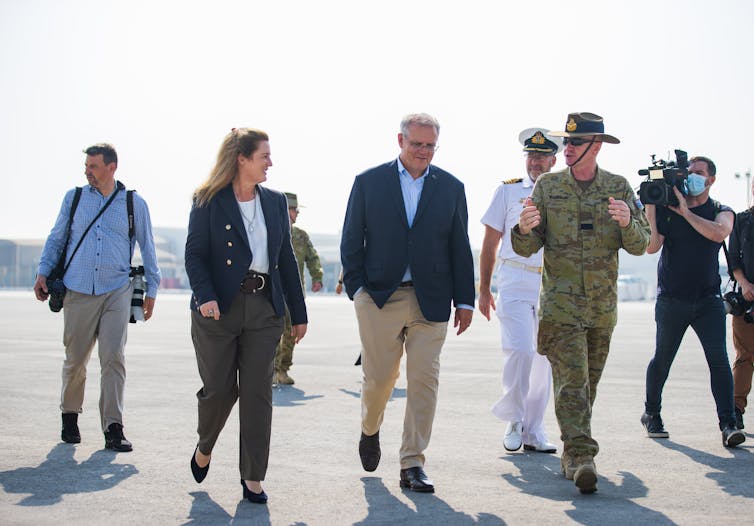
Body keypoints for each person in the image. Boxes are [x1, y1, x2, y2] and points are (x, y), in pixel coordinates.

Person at [512, 112, 650, 494]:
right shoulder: (548, 186)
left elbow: (641, 244)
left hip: (602, 309)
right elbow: (526, 245)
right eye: (566, 142)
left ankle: (571, 453)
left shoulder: (618, 187)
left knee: (586, 387)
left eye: (574, 143)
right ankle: (582, 455)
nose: (566, 149)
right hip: (560, 308)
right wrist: (523, 228)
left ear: (597, 145)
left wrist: (626, 222)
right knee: (573, 383)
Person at [341, 113, 475, 493]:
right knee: (380, 379)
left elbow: (459, 246)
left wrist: (465, 298)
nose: (423, 151)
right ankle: (370, 428)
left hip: (431, 299)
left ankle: (412, 462)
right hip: (380, 297)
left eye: (430, 145)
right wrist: (358, 291)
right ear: (399, 141)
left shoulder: (451, 187)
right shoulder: (369, 182)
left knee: (423, 381)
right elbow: (352, 239)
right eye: (416, 144)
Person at [185, 128, 307, 504]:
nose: (270, 162)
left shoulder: (273, 201)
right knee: (220, 391)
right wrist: (205, 296)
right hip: (217, 309)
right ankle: (205, 445)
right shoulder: (208, 199)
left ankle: (253, 476)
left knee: (257, 395)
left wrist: (298, 313)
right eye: (264, 156)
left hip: (263, 309)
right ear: (241, 158)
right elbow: (195, 254)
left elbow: (285, 257)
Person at [33, 143, 160, 452]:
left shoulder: (133, 203)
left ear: (111, 167)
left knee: (114, 357)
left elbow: (148, 245)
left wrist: (152, 289)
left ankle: (113, 428)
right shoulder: (74, 198)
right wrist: (43, 271)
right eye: (87, 166)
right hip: (78, 290)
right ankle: (70, 416)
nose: (87, 171)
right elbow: (57, 236)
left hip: (117, 289)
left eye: (93, 166)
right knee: (75, 359)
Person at [641, 155, 745, 448]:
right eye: (689, 172)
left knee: (719, 362)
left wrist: (686, 212)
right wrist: (652, 205)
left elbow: (719, 232)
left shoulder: (720, 210)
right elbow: (651, 247)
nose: (692, 176)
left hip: (708, 301)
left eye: (699, 172)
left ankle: (728, 424)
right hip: (671, 299)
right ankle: (652, 413)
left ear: (711, 179)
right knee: (662, 359)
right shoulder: (666, 210)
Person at [479, 128, 561, 455]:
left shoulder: (563, 194)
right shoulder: (507, 192)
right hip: (514, 280)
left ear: (554, 160)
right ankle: (513, 418)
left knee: (543, 360)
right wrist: (484, 289)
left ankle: (533, 429)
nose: (536, 161)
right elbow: (489, 244)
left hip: (550, 285)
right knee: (521, 350)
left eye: (542, 156)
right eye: (531, 155)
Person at [273, 192, 323, 385]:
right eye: (294, 209)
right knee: (272, 332)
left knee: (291, 332)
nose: (297, 213)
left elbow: (313, 257)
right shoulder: (271, 231)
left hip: (294, 294)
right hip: (273, 292)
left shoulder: (301, 236)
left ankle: (283, 369)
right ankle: (271, 370)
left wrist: (317, 276)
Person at [728, 181, 754, 430]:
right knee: (745, 357)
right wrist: (744, 284)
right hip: (748, 300)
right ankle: (736, 411)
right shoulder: (742, 220)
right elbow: (733, 259)